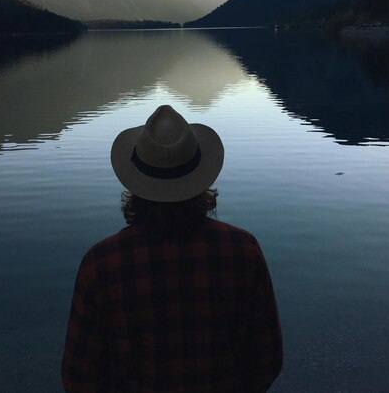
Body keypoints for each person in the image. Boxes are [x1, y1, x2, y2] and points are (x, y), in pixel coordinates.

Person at [62, 104, 283, 392]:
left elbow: (80, 377)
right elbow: (267, 361)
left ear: (137, 185)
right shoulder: (242, 251)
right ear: (200, 181)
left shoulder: (102, 265)